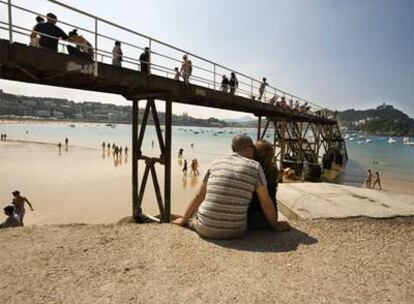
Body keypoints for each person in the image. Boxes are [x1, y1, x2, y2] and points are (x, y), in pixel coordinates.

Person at [173, 135, 289, 239]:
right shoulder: (255, 167)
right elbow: (265, 201)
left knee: (197, 212)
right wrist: (275, 225)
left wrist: (184, 220)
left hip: (205, 230)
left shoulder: (215, 162)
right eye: (253, 148)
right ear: (248, 149)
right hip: (237, 231)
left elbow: (199, 195)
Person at [248, 140, 279, 230]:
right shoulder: (272, 171)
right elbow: (271, 197)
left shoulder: (248, 168)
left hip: (245, 216)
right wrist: (274, 222)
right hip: (263, 218)